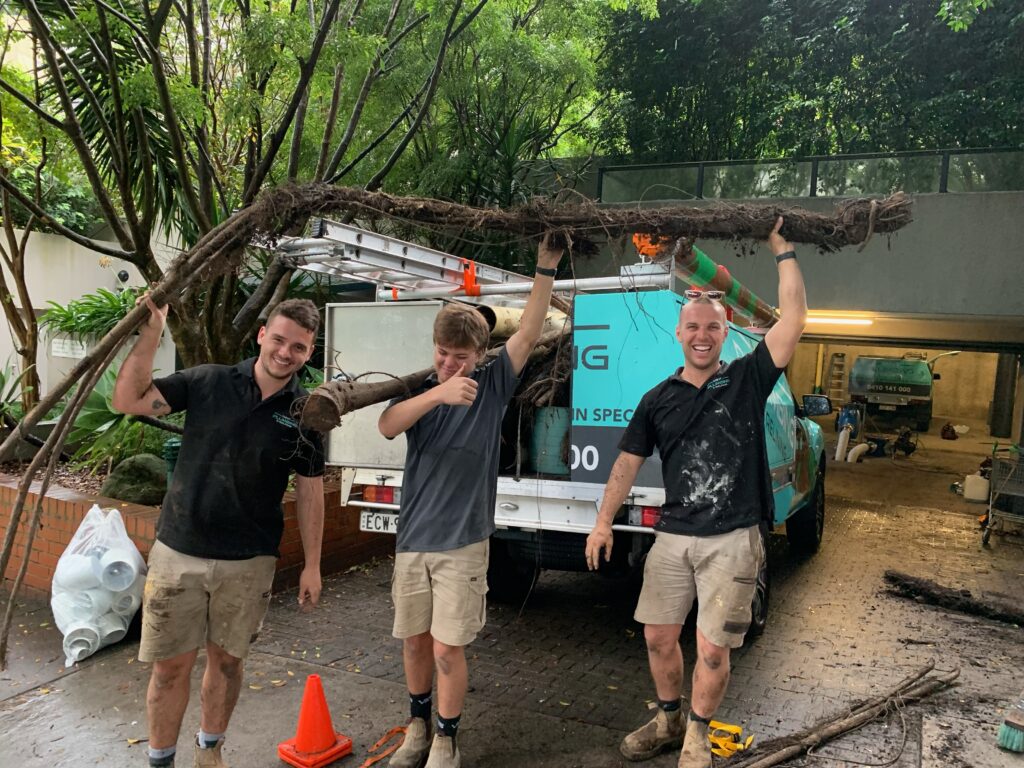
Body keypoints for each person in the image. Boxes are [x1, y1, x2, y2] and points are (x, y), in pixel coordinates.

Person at [584, 218, 807, 768]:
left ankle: (698, 736)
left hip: (733, 538)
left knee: (713, 647)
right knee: (659, 637)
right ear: (679, 334)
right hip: (674, 537)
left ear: (725, 333)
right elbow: (626, 464)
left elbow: (795, 319)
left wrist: (783, 250)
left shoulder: (749, 378)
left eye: (712, 326)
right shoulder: (657, 398)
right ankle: (668, 720)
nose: (703, 335)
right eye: (693, 327)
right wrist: (602, 521)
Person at [112, 297, 326, 768]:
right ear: (262, 334)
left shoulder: (307, 412)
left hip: (250, 560)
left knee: (227, 664)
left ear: (310, 352)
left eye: (299, 347)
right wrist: (153, 331)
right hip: (179, 550)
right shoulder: (207, 380)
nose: (286, 353)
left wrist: (312, 564)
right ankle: (160, 760)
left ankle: (210, 751)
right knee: (170, 669)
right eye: (280, 339)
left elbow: (311, 492)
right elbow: (128, 399)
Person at [379, 235, 564, 768]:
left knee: (446, 648)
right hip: (413, 539)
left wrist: (543, 267)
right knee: (413, 642)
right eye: (442, 355)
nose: (450, 365)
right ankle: (415, 727)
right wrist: (436, 392)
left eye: (461, 358)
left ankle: (446, 738)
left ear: (480, 355)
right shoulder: (421, 391)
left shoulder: (494, 383)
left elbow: (529, 332)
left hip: (463, 542)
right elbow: (388, 426)